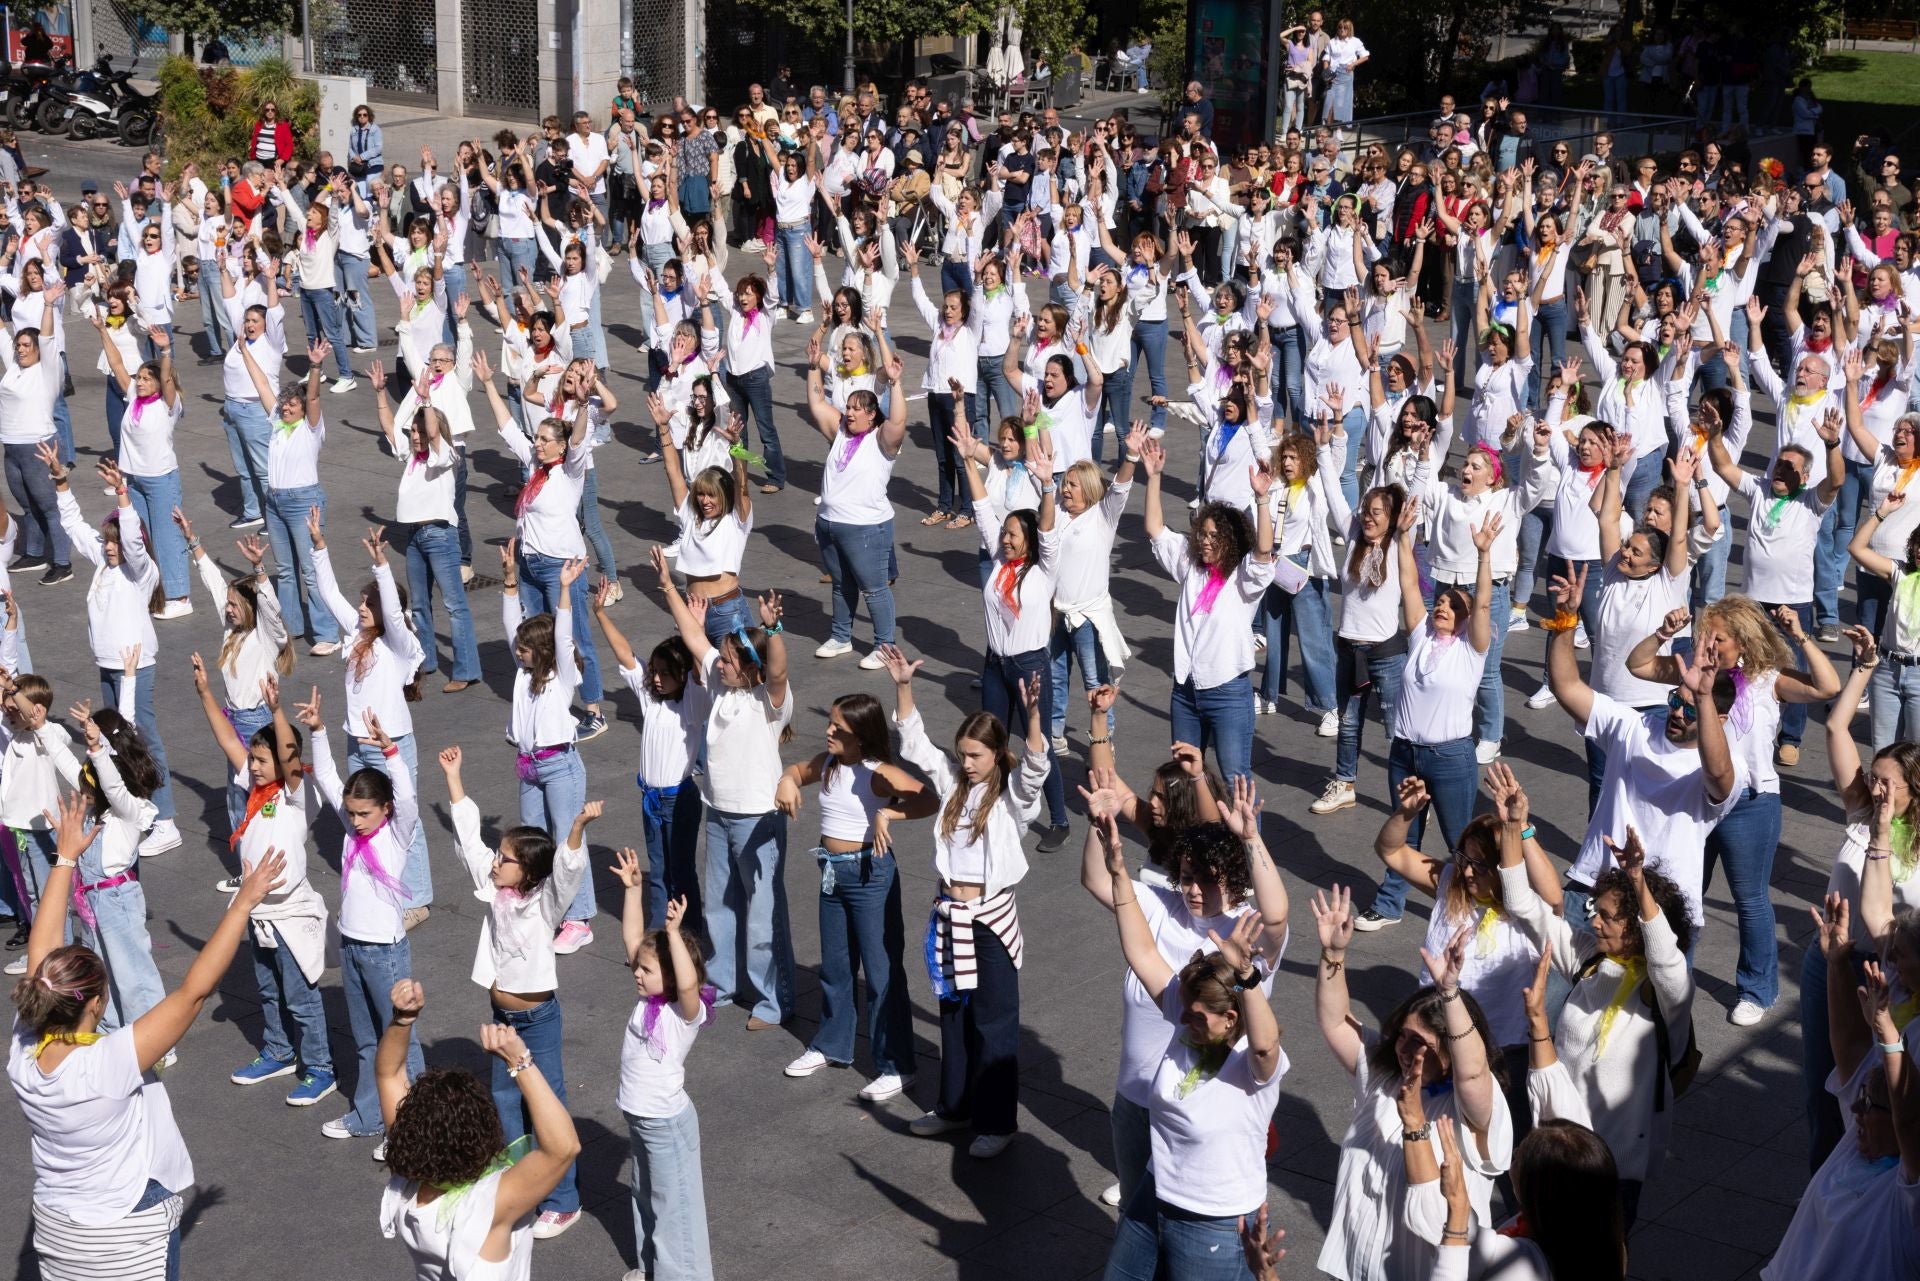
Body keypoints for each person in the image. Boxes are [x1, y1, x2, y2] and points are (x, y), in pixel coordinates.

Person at [7, 794, 286, 1281]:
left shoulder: (24, 1049)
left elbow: (42, 950)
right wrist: (243, 903)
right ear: (96, 1003)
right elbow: (194, 994)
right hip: (125, 1236)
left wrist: (66, 857)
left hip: (58, 1233)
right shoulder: (109, 1062)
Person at [1095, 804, 1285, 1281]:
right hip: (1153, 1196)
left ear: (1230, 1019)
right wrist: (1118, 870)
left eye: (1198, 1015)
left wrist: (1246, 977)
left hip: (1213, 1220)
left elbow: (1265, 1044)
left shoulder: (1252, 1063)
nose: (1182, 1019)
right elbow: (1140, 949)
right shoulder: (1184, 1026)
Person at [882, 644, 1049, 1158]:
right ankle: (956, 1108)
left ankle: (998, 1122)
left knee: (994, 1021)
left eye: (976, 755)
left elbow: (1036, 769)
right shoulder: (954, 785)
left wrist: (1034, 714)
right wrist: (904, 685)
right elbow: (916, 744)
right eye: (963, 755)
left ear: (997, 754)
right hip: (949, 916)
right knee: (953, 1014)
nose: (967, 763)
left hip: (991, 922)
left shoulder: (1010, 802)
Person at [1311, 882, 1512, 1281]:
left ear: (1452, 1051)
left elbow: (1472, 1071)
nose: (1404, 1047)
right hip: (1354, 1267)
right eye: (1403, 1034)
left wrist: (1451, 993)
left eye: (1420, 1041)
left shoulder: (1475, 1109)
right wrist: (1333, 954)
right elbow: (1335, 1020)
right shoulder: (1384, 1075)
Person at [439, 747, 597, 1240]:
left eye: (505, 860)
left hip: (538, 1019)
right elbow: (469, 844)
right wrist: (455, 780)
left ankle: (563, 1199)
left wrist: (576, 829)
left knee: (546, 1101)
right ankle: (519, 1188)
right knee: (506, 1102)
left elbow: (567, 871)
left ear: (526, 872)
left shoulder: (543, 903)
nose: (496, 863)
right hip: (502, 1017)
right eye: (499, 856)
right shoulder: (496, 893)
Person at [648, 547, 795, 1031]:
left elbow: (778, 671)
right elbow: (694, 637)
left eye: (730, 659)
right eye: (724, 658)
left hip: (758, 819)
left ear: (748, 667)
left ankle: (773, 999)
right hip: (719, 813)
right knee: (719, 905)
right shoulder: (720, 686)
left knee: (761, 913)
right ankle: (727, 984)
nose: (721, 663)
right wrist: (669, 585)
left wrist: (772, 629)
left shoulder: (767, 701)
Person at [775, 692, 935, 1098]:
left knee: (882, 975)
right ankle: (831, 1044)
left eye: (838, 728)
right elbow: (795, 770)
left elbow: (928, 798)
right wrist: (786, 780)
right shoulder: (830, 762)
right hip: (832, 873)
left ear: (860, 736)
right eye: (830, 723)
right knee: (836, 966)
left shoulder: (877, 772)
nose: (828, 731)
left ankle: (897, 1066)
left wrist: (888, 812)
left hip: (870, 876)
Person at [374, 981, 582, 1280]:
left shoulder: (410, 1178)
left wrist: (403, 1019)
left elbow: (389, 1073)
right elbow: (564, 1148)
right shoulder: (489, 1204)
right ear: (481, 1130)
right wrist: (519, 1061)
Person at [1761, 900, 1920, 1278]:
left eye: (1871, 1106)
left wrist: (1887, 1035)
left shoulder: (1907, 1193)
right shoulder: (1853, 1152)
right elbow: (1851, 1055)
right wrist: (1835, 963)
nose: (1856, 1112)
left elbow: (1909, 1118)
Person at [48, 452, 182, 857]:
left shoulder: (141, 572)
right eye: (107, 542)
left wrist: (124, 493)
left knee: (143, 739)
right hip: (108, 665)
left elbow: (134, 541)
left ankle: (166, 820)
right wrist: (61, 483)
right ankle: (135, 809)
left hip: (134, 667)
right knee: (117, 741)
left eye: (116, 542)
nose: (109, 548)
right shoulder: (105, 565)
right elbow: (74, 526)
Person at [1140, 433, 1279, 787]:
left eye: (1214, 535)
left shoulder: (1244, 579)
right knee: (1183, 778)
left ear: (1230, 540)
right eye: (1201, 533)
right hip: (1185, 690)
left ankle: (1249, 844)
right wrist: (1154, 478)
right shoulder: (1190, 565)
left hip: (1228, 692)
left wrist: (1262, 500)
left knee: (1236, 781)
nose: (1204, 540)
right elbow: (1156, 529)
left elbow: (1263, 552)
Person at [611, 850, 715, 1281]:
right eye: (639, 968)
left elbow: (688, 980)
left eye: (647, 970)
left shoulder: (683, 1013)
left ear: (671, 976)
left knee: (676, 1207)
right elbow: (634, 939)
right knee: (646, 1194)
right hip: (641, 1116)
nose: (637, 973)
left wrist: (674, 932)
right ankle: (651, 1269)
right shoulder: (647, 999)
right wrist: (634, 891)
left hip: (665, 1122)